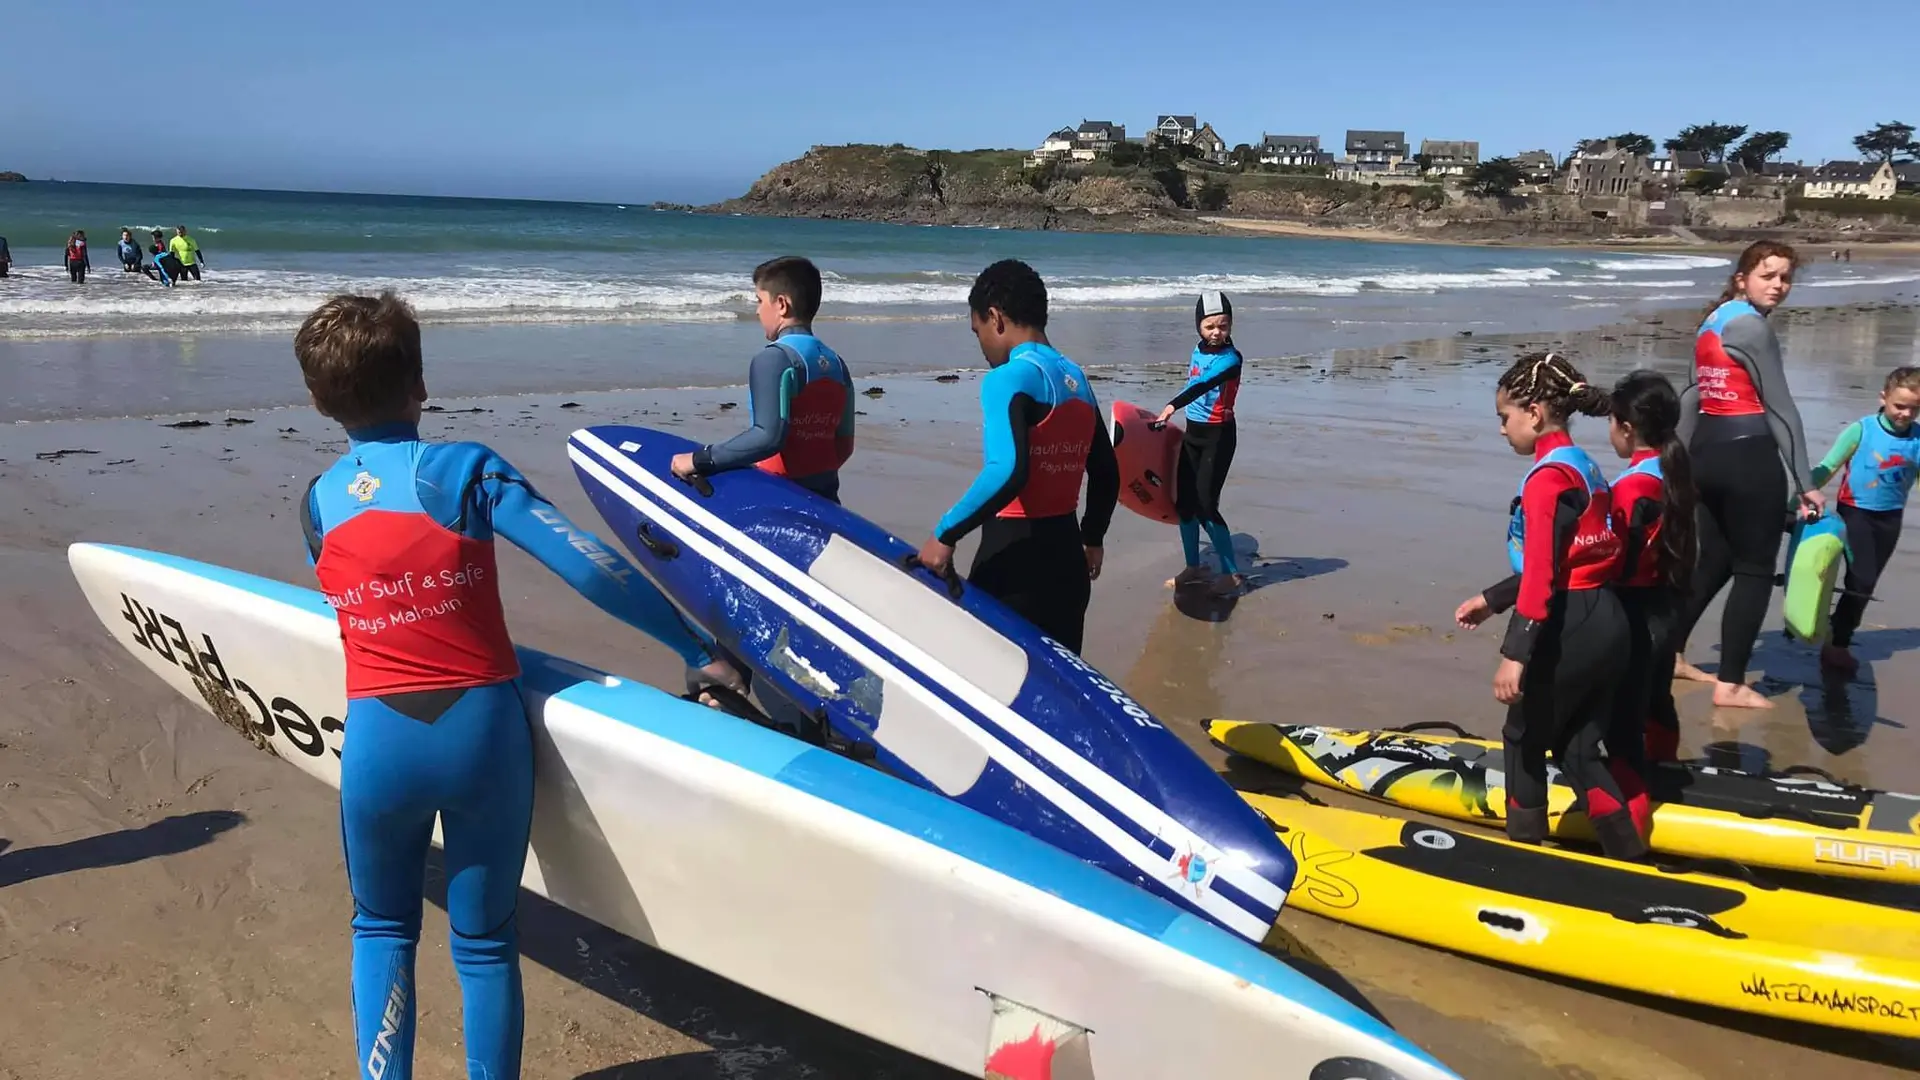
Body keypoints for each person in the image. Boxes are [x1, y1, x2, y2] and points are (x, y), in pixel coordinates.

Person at [292, 292, 744, 1080]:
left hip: (376, 743)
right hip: (480, 736)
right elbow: (588, 568)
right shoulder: (462, 471)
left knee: (381, 930)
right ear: (418, 385)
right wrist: (694, 645)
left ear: (319, 399)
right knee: (484, 944)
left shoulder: (317, 504)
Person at [1454, 352, 1643, 860]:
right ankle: (1628, 854)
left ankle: (1525, 857)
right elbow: (1570, 554)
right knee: (1579, 746)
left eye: (1504, 418)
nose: (1502, 430)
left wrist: (1516, 652)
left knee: (1522, 736)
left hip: (1569, 623)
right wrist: (1491, 600)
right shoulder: (1585, 466)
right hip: (1608, 619)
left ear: (1534, 414)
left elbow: (1542, 574)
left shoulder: (1545, 480)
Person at [915, 259, 1120, 654]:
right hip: (1067, 565)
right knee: (1055, 692)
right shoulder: (1075, 378)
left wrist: (944, 534)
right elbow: (1106, 470)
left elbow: (1008, 471)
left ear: (996, 318)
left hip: (1013, 566)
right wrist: (1092, 537)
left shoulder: (1008, 378)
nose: (982, 347)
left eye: (978, 332)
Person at [1670, 241, 1823, 708]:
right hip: (1748, 459)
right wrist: (1806, 484)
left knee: (1713, 562)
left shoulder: (1711, 323)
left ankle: (1670, 654)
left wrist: (1675, 465)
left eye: (1785, 278)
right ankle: (1732, 683)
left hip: (1706, 456)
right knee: (1754, 570)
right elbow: (1781, 412)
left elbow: (1692, 397)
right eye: (1768, 276)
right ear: (1742, 279)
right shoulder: (1752, 329)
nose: (1778, 285)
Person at [670, 256, 854, 502]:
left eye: (759, 300)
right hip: (826, 499)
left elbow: (767, 438)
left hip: (776, 497)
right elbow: (843, 446)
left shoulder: (774, 359)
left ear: (781, 304)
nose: (757, 310)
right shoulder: (837, 364)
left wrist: (699, 459)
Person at [1605, 370, 1697, 780]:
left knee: (1623, 708)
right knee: (1658, 699)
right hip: (1668, 603)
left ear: (1626, 428)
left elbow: (1616, 560)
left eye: (1611, 421)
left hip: (1632, 611)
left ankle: (1627, 795)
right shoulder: (1674, 470)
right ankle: (1663, 768)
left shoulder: (1631, 487)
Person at [1806, 365, 1920, 673]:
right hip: (1854, 513)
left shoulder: (1918, 438)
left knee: (1865, 585)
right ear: (1883, 397)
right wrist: (1800, 497)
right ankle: (1836, 644)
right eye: (1900, 406)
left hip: (1890, 518)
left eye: (1914, 409)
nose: (1906, 414)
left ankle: (1837, 632)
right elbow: (1829, 465)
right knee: (1861, 579)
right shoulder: (1862, 430)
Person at [1157, 290, 1246, 593]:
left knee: (1207, 505)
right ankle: (1193, 566)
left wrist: (1172, 405)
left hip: (1218, 437)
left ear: (1231, 325)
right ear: (1199, 326)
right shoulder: (1197, 351)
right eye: (1210, 326)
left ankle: (1232, 574)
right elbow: (1193, 380)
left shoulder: (1231, 360)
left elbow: (1202, 385)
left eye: (1223, 325)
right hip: (1192, 435)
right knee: (1184, 505)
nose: (1216, 332)